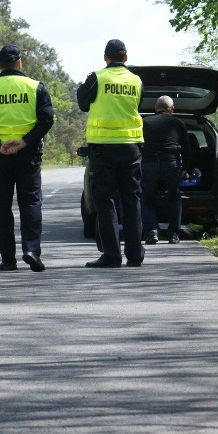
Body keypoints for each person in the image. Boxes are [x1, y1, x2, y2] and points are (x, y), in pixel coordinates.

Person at [0, 44, 54, 272]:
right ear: (19, 63)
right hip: (28, 154)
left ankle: (8, 259)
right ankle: (31, 250)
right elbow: (46, 119)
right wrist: (26, 141)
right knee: (31, 203)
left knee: (2, 206)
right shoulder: (35, 87)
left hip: (0, 156)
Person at [76, 39, 145, 268]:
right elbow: (138, 104)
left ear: (105, 57)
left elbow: (83, 103)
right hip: (131, 146)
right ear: (126, 57)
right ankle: (135, 256)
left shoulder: (97, 78)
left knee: (105, 201)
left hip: (103, 147)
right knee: (132, 200)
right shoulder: (136, 80)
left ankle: (111, 255)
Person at [140, 95, 190, 245]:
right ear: (172, 109)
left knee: (148, 199)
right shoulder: (178, 123)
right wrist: (185, 168)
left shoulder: (144, 122)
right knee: (174, 197)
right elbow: (187, 149)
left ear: (155, 108)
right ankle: (174, 234)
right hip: (170, 164)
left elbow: (136, 145)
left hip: (148, 165)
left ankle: (152, 232)